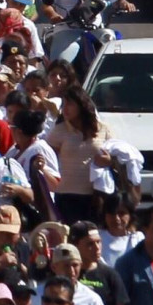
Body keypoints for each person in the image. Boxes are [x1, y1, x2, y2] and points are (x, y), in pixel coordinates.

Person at [46, 86, 112, 224]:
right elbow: (47, 157)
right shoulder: (59, 130)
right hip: (67, 196)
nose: (65, 108)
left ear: (81, 105)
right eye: (63, 104)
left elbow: (116, 156)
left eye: (69, 104)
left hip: (96, 195)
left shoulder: (103, 129)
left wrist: (109, 160)